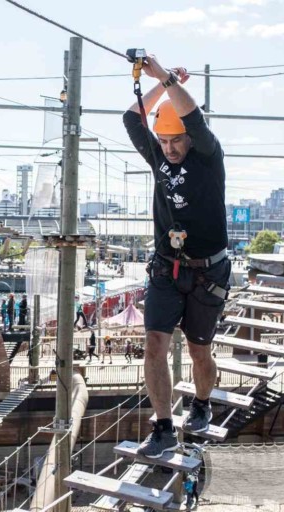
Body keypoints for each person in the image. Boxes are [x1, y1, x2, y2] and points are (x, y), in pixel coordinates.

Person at [123, 56, 230, 458]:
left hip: (208, 271)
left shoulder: (207, 156)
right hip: (167, 268)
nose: (168, 149)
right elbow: (132, 118)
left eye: (175, 141)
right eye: (163, 142)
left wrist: (167, 78)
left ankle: (202, 404)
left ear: (189, 139)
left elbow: (196, 120)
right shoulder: (157, 157)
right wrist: (160, 88)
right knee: (154, 344)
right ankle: (164, 426)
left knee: (199, 349)